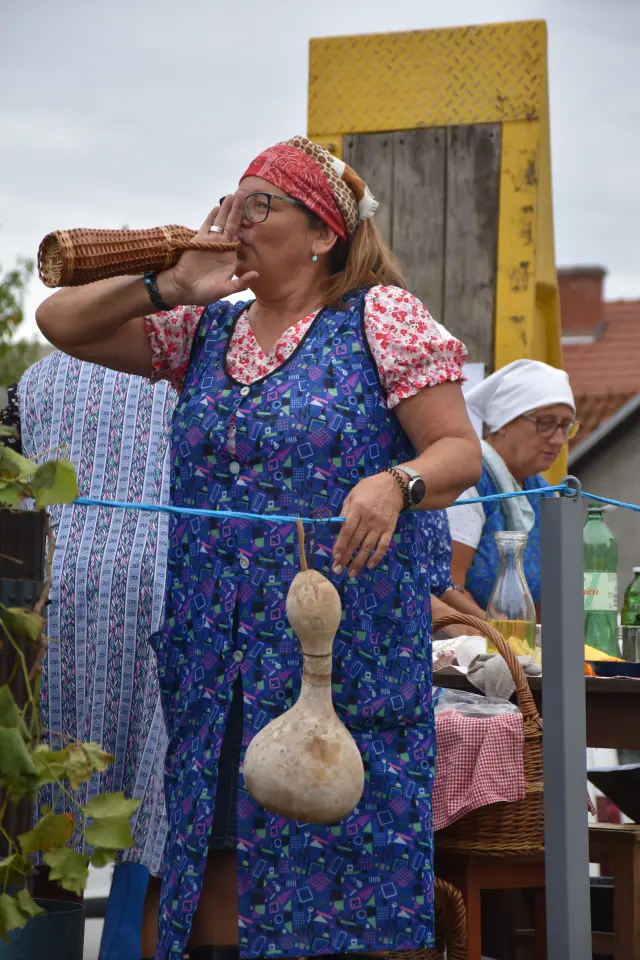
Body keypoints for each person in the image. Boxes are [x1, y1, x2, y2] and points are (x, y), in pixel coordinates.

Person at [36, 134, 481, 960]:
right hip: (216, 648)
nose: (234, 220)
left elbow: (458, 450)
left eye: (260, 205)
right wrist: (168, 284)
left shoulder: (379, 317)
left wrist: (397, 483)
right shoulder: (206, 330)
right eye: (231, 202)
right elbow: (58, 322)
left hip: (338, 649)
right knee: (216, 850)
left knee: (338, 855)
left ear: (322, 235)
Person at [7, 353, 176, 960]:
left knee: (49, 809)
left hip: (50, 585)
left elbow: (18, 491)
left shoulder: (37, 379)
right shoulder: (194, 361)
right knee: (160, 825)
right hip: (164, 588)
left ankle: (46, 943)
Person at [446, 359, 578, 616]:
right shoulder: (470, 482)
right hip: (466, 637)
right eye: (545, 423)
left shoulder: (543, 493)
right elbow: (448, 589)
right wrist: (502, 634)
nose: (558, 439)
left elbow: (546, 598)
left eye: (565, 426)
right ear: (504, 423)